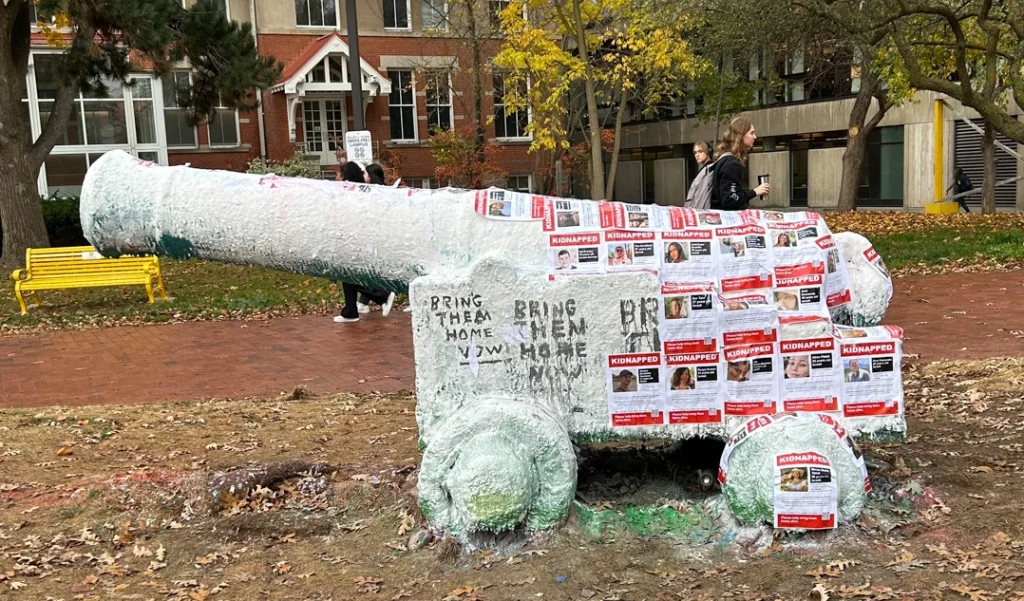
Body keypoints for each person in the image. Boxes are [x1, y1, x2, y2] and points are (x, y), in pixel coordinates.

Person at [334, 162, 396, 323]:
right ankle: (350, 312)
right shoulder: (357, 191)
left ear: (345, 176)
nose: (336, 177)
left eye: (339, 175)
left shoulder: (353, 193)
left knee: (347, 273)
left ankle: (382, 296)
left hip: (356, 240)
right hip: (354, 238)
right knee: (346, 274)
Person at [712, 117, 770, 211]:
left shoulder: (724, 159)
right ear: (741, 135)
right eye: (751, 133)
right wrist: (755, 192)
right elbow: (730, 199)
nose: (755, 137)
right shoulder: (732, 164)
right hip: (727, 218)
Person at [685, 141, 715, 210]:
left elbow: (703, 195)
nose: (697, 155)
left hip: (700, 210)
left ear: (708, 152)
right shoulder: (705, 170)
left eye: (700, 151)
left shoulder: (709, 170)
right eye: (695, 153)